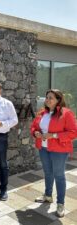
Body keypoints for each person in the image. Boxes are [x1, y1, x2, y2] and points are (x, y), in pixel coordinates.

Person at [30, 89, 77, 217]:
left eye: (51, 98)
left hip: (59, 150)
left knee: (59, 175)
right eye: (47, 97)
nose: (47, 100)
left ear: (58, 100)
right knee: (48, 172)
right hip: (43, 148)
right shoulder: (42, 113)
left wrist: (54, 135)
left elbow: (73, 132)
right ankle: (48, 195)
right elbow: (34, 127)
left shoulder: (66, 114)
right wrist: (36, 133)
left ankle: (60, 203)